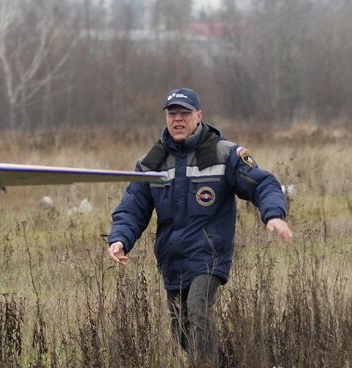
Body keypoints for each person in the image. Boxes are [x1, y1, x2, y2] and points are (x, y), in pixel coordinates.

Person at [107, 88, 292, 367]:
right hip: (172, 260)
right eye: (172, 114)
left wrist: (273, 215)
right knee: (182, 332)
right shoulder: (151, 163)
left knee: (197, 311)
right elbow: (133, 206)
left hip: (210, 256)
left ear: (199, 116)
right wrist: (120, 239)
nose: (177, 119)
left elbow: (263, 183)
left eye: (184, 113)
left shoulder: (224, 154)